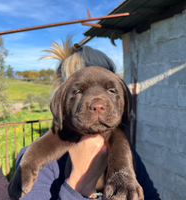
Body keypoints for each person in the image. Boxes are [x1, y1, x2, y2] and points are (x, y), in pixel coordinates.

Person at [16, 35, 161, 200]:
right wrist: (79, 185)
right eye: (79, 91)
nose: (98, 103)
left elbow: (151, 197)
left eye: (111, 89)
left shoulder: (125, 152)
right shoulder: (39, 161)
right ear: (61, 98)